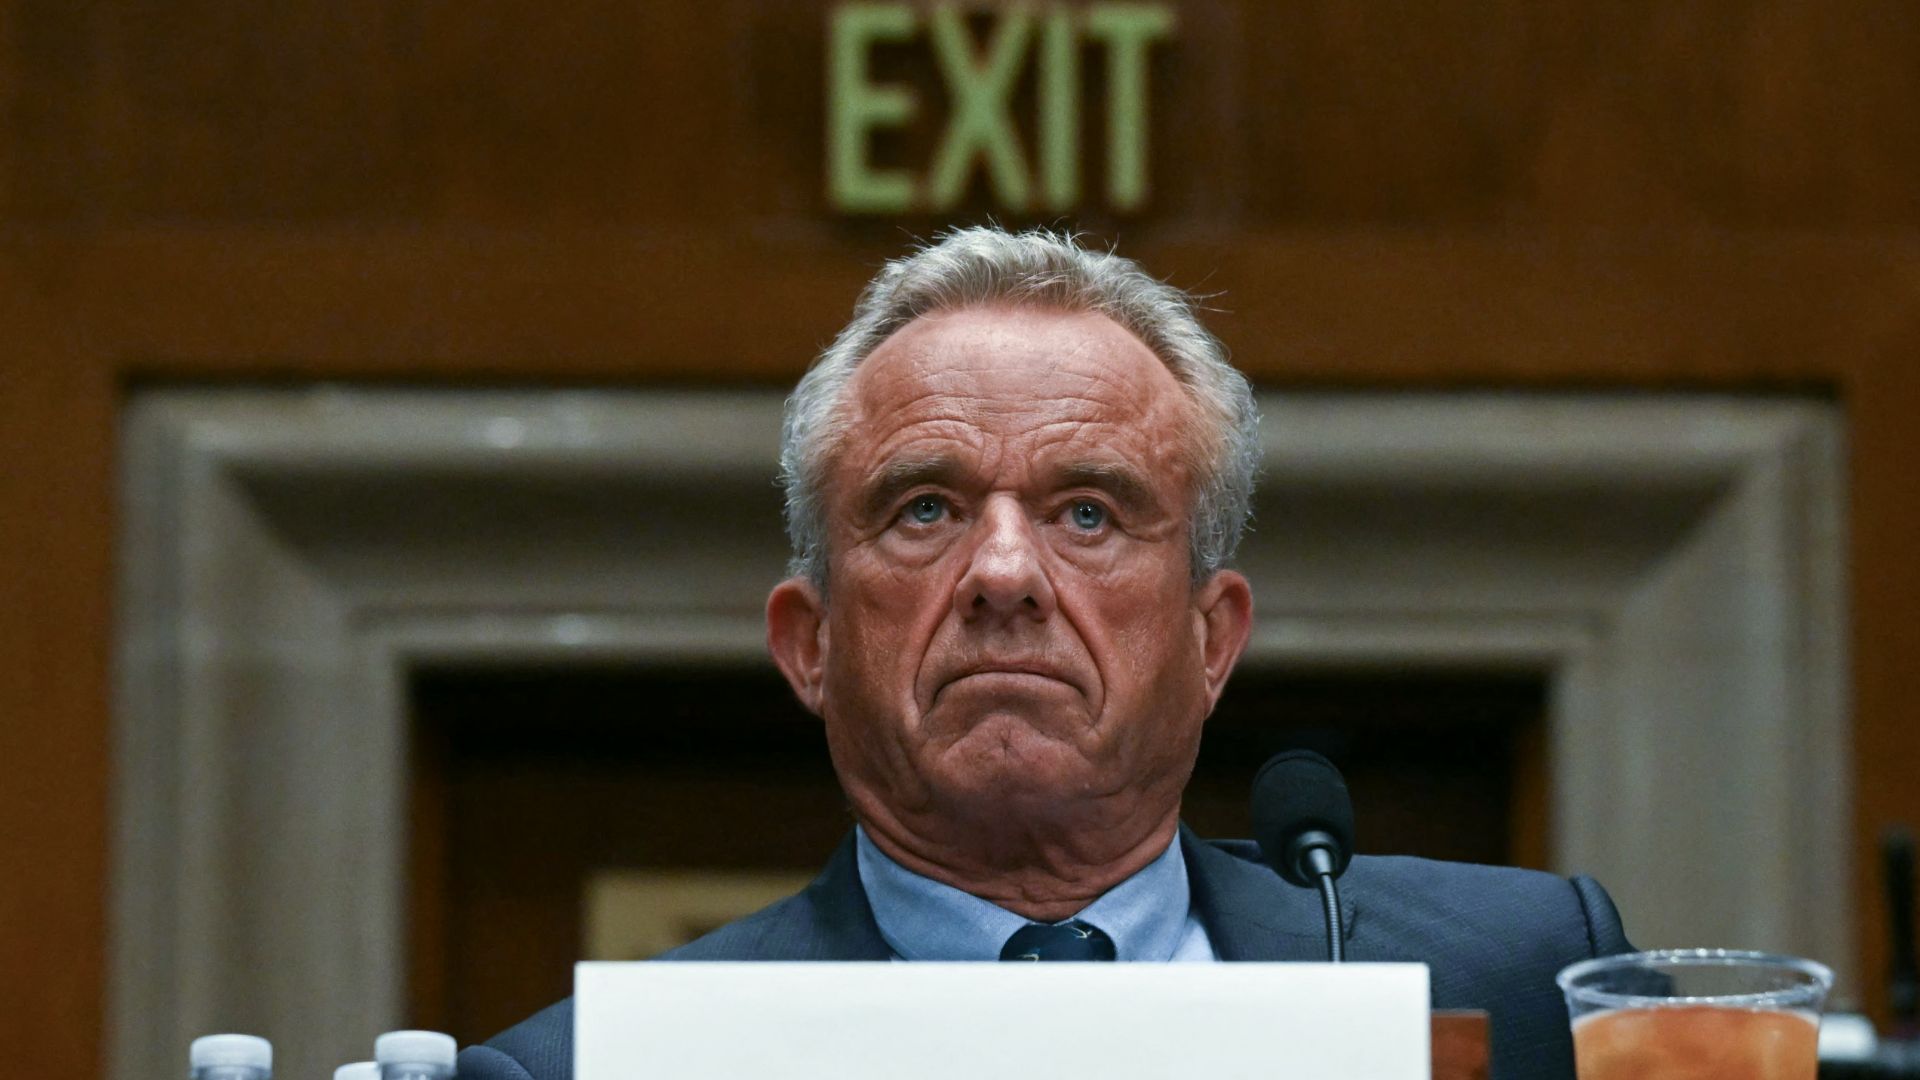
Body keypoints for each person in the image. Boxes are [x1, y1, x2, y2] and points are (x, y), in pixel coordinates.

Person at [456, 227, 1630, 1080]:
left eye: (1088, 514)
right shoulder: (603, 1067)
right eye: (925, 509)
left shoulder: (1522, 983)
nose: (1005, 572)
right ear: (810, 645)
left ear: (1211, 640)